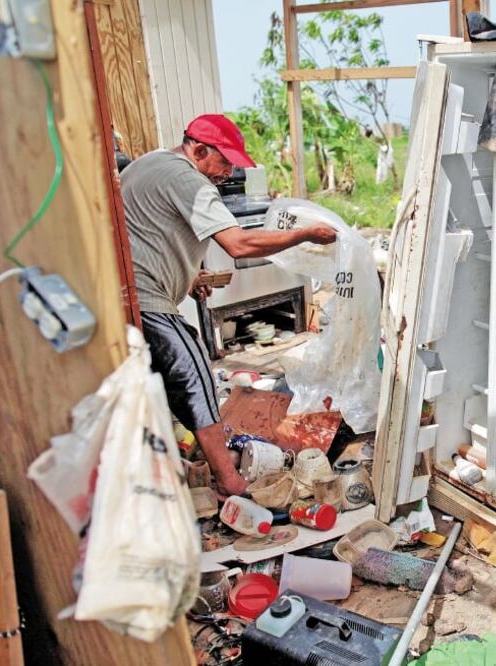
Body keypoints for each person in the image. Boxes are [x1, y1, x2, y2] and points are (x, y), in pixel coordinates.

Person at [121, 114, 336, 495]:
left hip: (123, 292)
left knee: (151, 387)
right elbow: (239, 244)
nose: (229, 171)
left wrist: (188, 278)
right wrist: (304, 234)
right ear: (199, 150)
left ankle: (176, 465)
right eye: (224, 161)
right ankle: (228, 479)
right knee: (195, 375)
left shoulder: (151, 162)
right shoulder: (190, 180)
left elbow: (146, 231)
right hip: (146, 297)